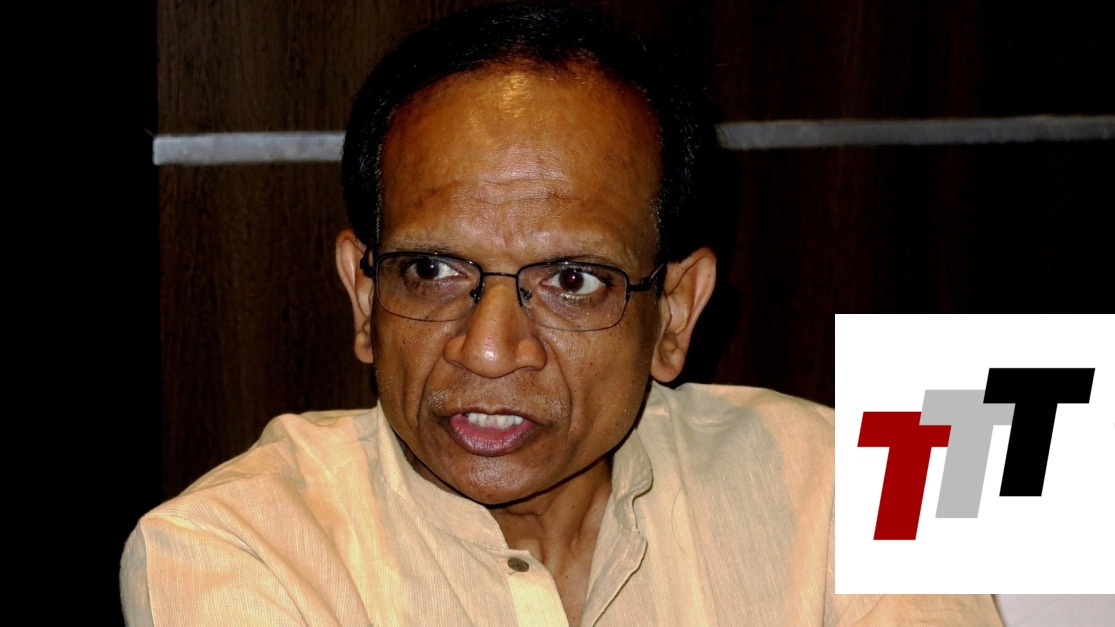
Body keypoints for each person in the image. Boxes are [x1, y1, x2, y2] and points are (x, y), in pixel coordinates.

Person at [122, 3, 1003, 625]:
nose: (490, 350)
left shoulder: (859, 487)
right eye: (431, 270)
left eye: (573, 279)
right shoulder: (234, 549)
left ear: (673, 314)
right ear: (363, 295)